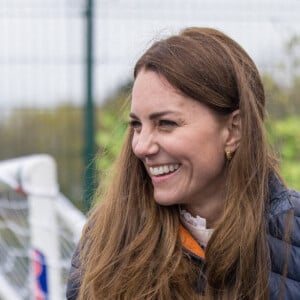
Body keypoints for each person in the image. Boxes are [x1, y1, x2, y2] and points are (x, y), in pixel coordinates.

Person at [66, 27, 300, 300]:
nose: (141, 146)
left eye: (166, 123)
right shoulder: (106, 238)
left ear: (234, 130)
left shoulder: (293, 231)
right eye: (137, 125)